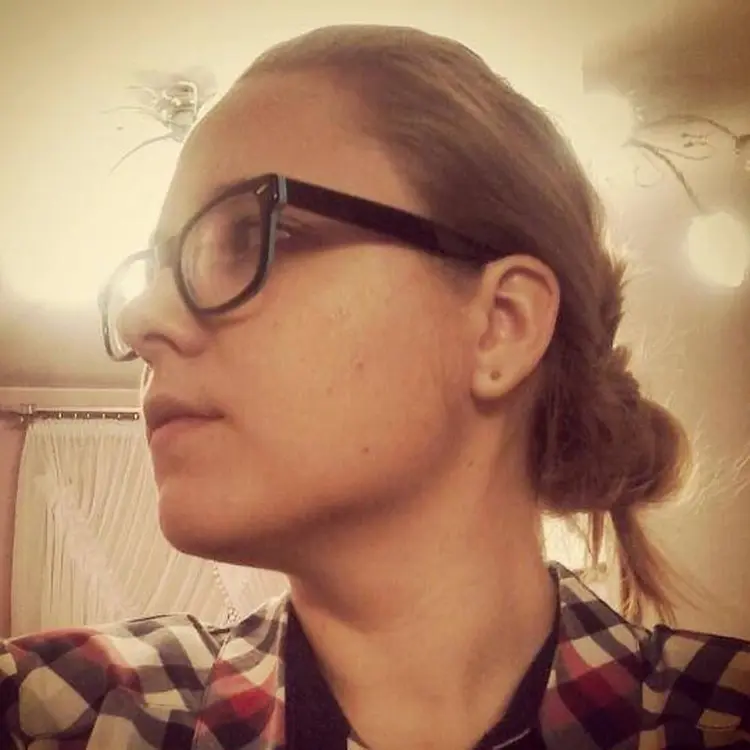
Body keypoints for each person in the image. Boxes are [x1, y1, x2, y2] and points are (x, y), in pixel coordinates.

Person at [1, 24, 748, 750]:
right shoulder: (57, 715)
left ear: (502, 324)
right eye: (157, 268)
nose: (138, 319)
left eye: (254, 235)